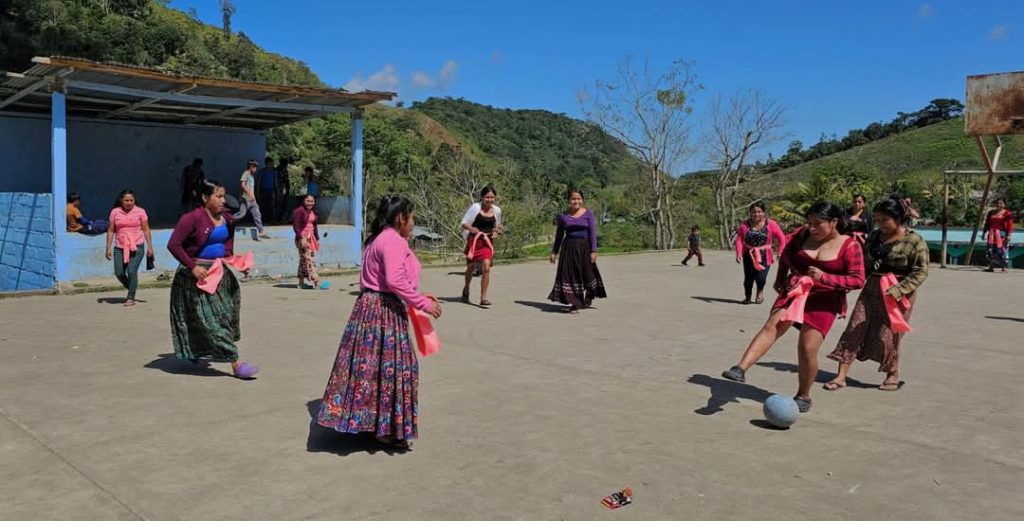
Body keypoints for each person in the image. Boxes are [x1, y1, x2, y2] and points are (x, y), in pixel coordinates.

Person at [316, 196, 442, 451]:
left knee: (372, 369)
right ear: (400, 218)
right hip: (383, 311)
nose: (413, 223)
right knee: (394, 369)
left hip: (371, 308)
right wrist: (424, 304)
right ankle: (384, 430)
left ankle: (375, 425)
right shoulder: (392, 240)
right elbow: (395, 281)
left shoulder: (380, 239)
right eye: (412, 217)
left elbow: (397, 278)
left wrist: (416, 296)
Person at [721, 202, 865, 413]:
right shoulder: (801, 235)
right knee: (773, 325)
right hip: (796, 288)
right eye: (809, 223)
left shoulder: (850, 246)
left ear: (834, 222)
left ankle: (803, 395)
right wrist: (780, 278)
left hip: (824, 299)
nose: (812, 228)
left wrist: (825, 277)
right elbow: (786, 256)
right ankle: (740, 368)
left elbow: (857, 280)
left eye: (818, 223)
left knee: (807, 348)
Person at [825, 196, 929, 392]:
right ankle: (841, 375)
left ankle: (892, 373)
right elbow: (863, 264)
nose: (880, 223)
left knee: (889, 334)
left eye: (885, 219)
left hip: (898, 293)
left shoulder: (914, 240)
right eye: (878, 219)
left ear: (899, 218)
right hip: (872, 288)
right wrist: (846, 282)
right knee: (854, 327)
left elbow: (921, 271)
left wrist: (899, 290)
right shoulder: (873, 237)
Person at [167, 179, 259, 379]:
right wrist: (193, 267)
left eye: (223, 196)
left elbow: (226, 243)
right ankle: (236, 363)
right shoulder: (192, 218)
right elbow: (174, 244)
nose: (222, 200)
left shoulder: (227, 218)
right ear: (204, 198)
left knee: (228, 312)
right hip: (197, 277)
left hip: (219, 272)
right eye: (218, 196)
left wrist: (235, 262)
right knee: (212, 319)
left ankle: (197, 350)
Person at [548, 189, 607, 313]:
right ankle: (574, 304)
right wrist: (554, 252)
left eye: (579, 198)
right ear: (569, 200)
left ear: (582, 200)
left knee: (588, 275)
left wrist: (594, 250)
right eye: (573, 199)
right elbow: (559, 236)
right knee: (571, 276)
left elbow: (592, 233)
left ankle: (590, 293)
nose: (576, 201)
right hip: (569, 249)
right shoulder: (563, 216)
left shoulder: (588, 214)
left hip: (585, 248)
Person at [104, 190, 154, 307]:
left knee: (131, 271)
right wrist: (108, 248)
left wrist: (150, 246)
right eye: (126, 200)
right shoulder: (115, 212)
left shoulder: (140, 212)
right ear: (121, 200)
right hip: (120, 246)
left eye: (131, 200)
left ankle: (131, 297)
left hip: (137, 246)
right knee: (119, 272)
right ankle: (132, 286)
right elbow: (111, 230)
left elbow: (146, 229)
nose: (129, 203)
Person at [734, 202, 786, 304]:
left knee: (761, 277)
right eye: (753, 212)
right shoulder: (744, 225)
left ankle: (760, 291)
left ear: (764, 213)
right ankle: (747, 297)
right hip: (749, 254)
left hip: (765, 255)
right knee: (748, 279)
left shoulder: (771, 224)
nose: (756, 214)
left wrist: (780, 251)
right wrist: (739, 253)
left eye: (759, 212)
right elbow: (739, 239)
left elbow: (782, 238)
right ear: (750, 213)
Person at [460, 186, 503, 306]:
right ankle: (466, 288)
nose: (489, 199)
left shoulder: (497, 210)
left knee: (486, 267)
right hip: (474, 241)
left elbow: (498, 225)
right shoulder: (475, 208)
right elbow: (464, 223)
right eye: (487, 197)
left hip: (487, 242)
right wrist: (471, 228)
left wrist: (497, 231)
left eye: (492, 197)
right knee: (470, 267)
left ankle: (483, 297)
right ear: (482, 197)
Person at [292, 194, 328, 290]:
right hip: (302, 239)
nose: (310, 203)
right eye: (308, 201)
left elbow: (314, 226)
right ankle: (317, 282)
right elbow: (295, 226)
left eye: (312, 201)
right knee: (309, 260)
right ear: (304, 201)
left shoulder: (313, 212)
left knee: (303, 260)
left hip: (311, 238)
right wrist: (301, 238)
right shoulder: (298, 211)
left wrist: (317, 238)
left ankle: (301, 283)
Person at [233, 159, 270, 240]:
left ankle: (261, 231)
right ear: (251, 167)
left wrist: (254, 198)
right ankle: (228, 220)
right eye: (255, 168)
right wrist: (248, 194)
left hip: (252, 200)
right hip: (245, 199)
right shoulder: (246, 173)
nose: (256, 170)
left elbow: (251, 188)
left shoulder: (252, 176)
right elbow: (242, 185)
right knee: (241, 214)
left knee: (257, 214)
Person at [982, 198, 1014, 273]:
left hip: (1002, 234)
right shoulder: (991, 213)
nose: (999, 205)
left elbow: (1010, 225)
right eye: (997, 203)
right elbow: (987, 223)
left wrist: (1009, 235)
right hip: (991, 234)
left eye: (1001, 203)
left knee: (1002, 250)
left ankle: (1003, 267)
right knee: (990, 250)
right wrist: (984, 232)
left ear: (1004, 205)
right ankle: (991, 267)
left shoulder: (1007, 213)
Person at [275, 158, 292, 223]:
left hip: (281, 189)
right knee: (281, 205)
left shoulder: (277, 169)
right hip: (282, 189)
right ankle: (280, 219)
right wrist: (283, 189)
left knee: (281, 205)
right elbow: (283, 181)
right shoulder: (281, 170)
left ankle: (279, 219)